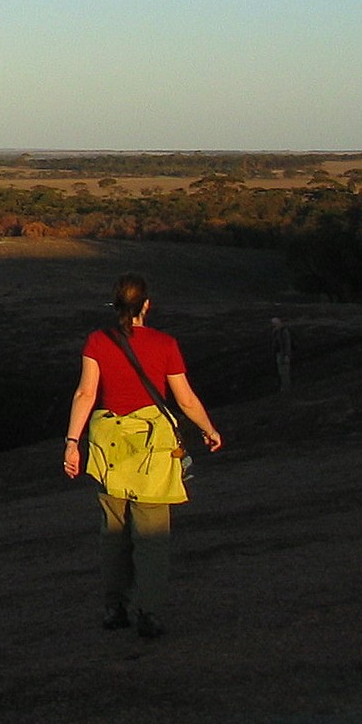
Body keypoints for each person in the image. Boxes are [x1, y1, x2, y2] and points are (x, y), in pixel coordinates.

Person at [62, 273, 223, 638]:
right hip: (152, 446)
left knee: (113, 535)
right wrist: (208, 430)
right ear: (146, 305)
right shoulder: (165, 344)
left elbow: (85, 395)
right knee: (152, 537)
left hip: (108, 446)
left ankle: (114, 608)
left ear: (116, 304)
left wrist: (73, 442)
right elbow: (184, 398)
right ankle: (148, 613)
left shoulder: (97, 342)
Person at [272, 316, 293, 392]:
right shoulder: (277, 331)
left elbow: (287, 344)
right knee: (281, 372)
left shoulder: (284, 331)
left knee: (285, 372)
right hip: (279, 354)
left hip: (282, 354)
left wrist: (287, 355)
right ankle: (284, 387)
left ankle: (286, 388)